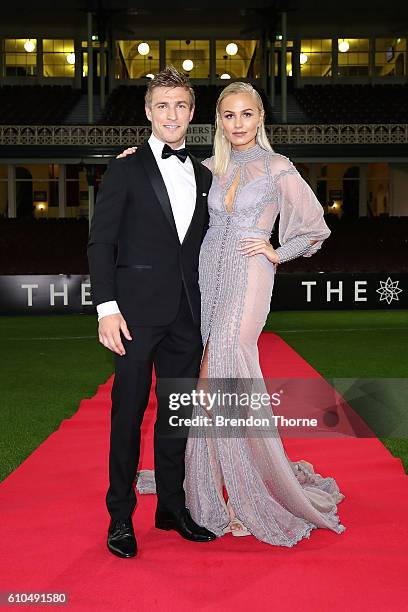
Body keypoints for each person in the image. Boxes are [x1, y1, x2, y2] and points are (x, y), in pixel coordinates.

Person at [118, 81, 346, 547]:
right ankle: (205, 490)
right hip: (206, 277)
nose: (238, 124)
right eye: (228, 115)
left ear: (260, 117)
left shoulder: (278, 169)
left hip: (248, 274)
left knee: (223, 366)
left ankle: (246, 495)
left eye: (246, 114)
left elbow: (315, 226)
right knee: (209, 379)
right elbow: (163, 184)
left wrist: (276, 251)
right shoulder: (208, 169)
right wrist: (131, 160)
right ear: (218, 121)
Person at [87, 65, 216, 559]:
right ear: (147, 111)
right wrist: (106, 309)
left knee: (175, 417)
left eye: (180, 105)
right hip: (134, 318)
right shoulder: (124, 167)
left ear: (191, 112)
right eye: (161, 105)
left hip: (187, 317)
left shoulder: (202, 174)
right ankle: (120, 517)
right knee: (127, 417)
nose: (172, 114)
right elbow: (102, 243)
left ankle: (171, 506)